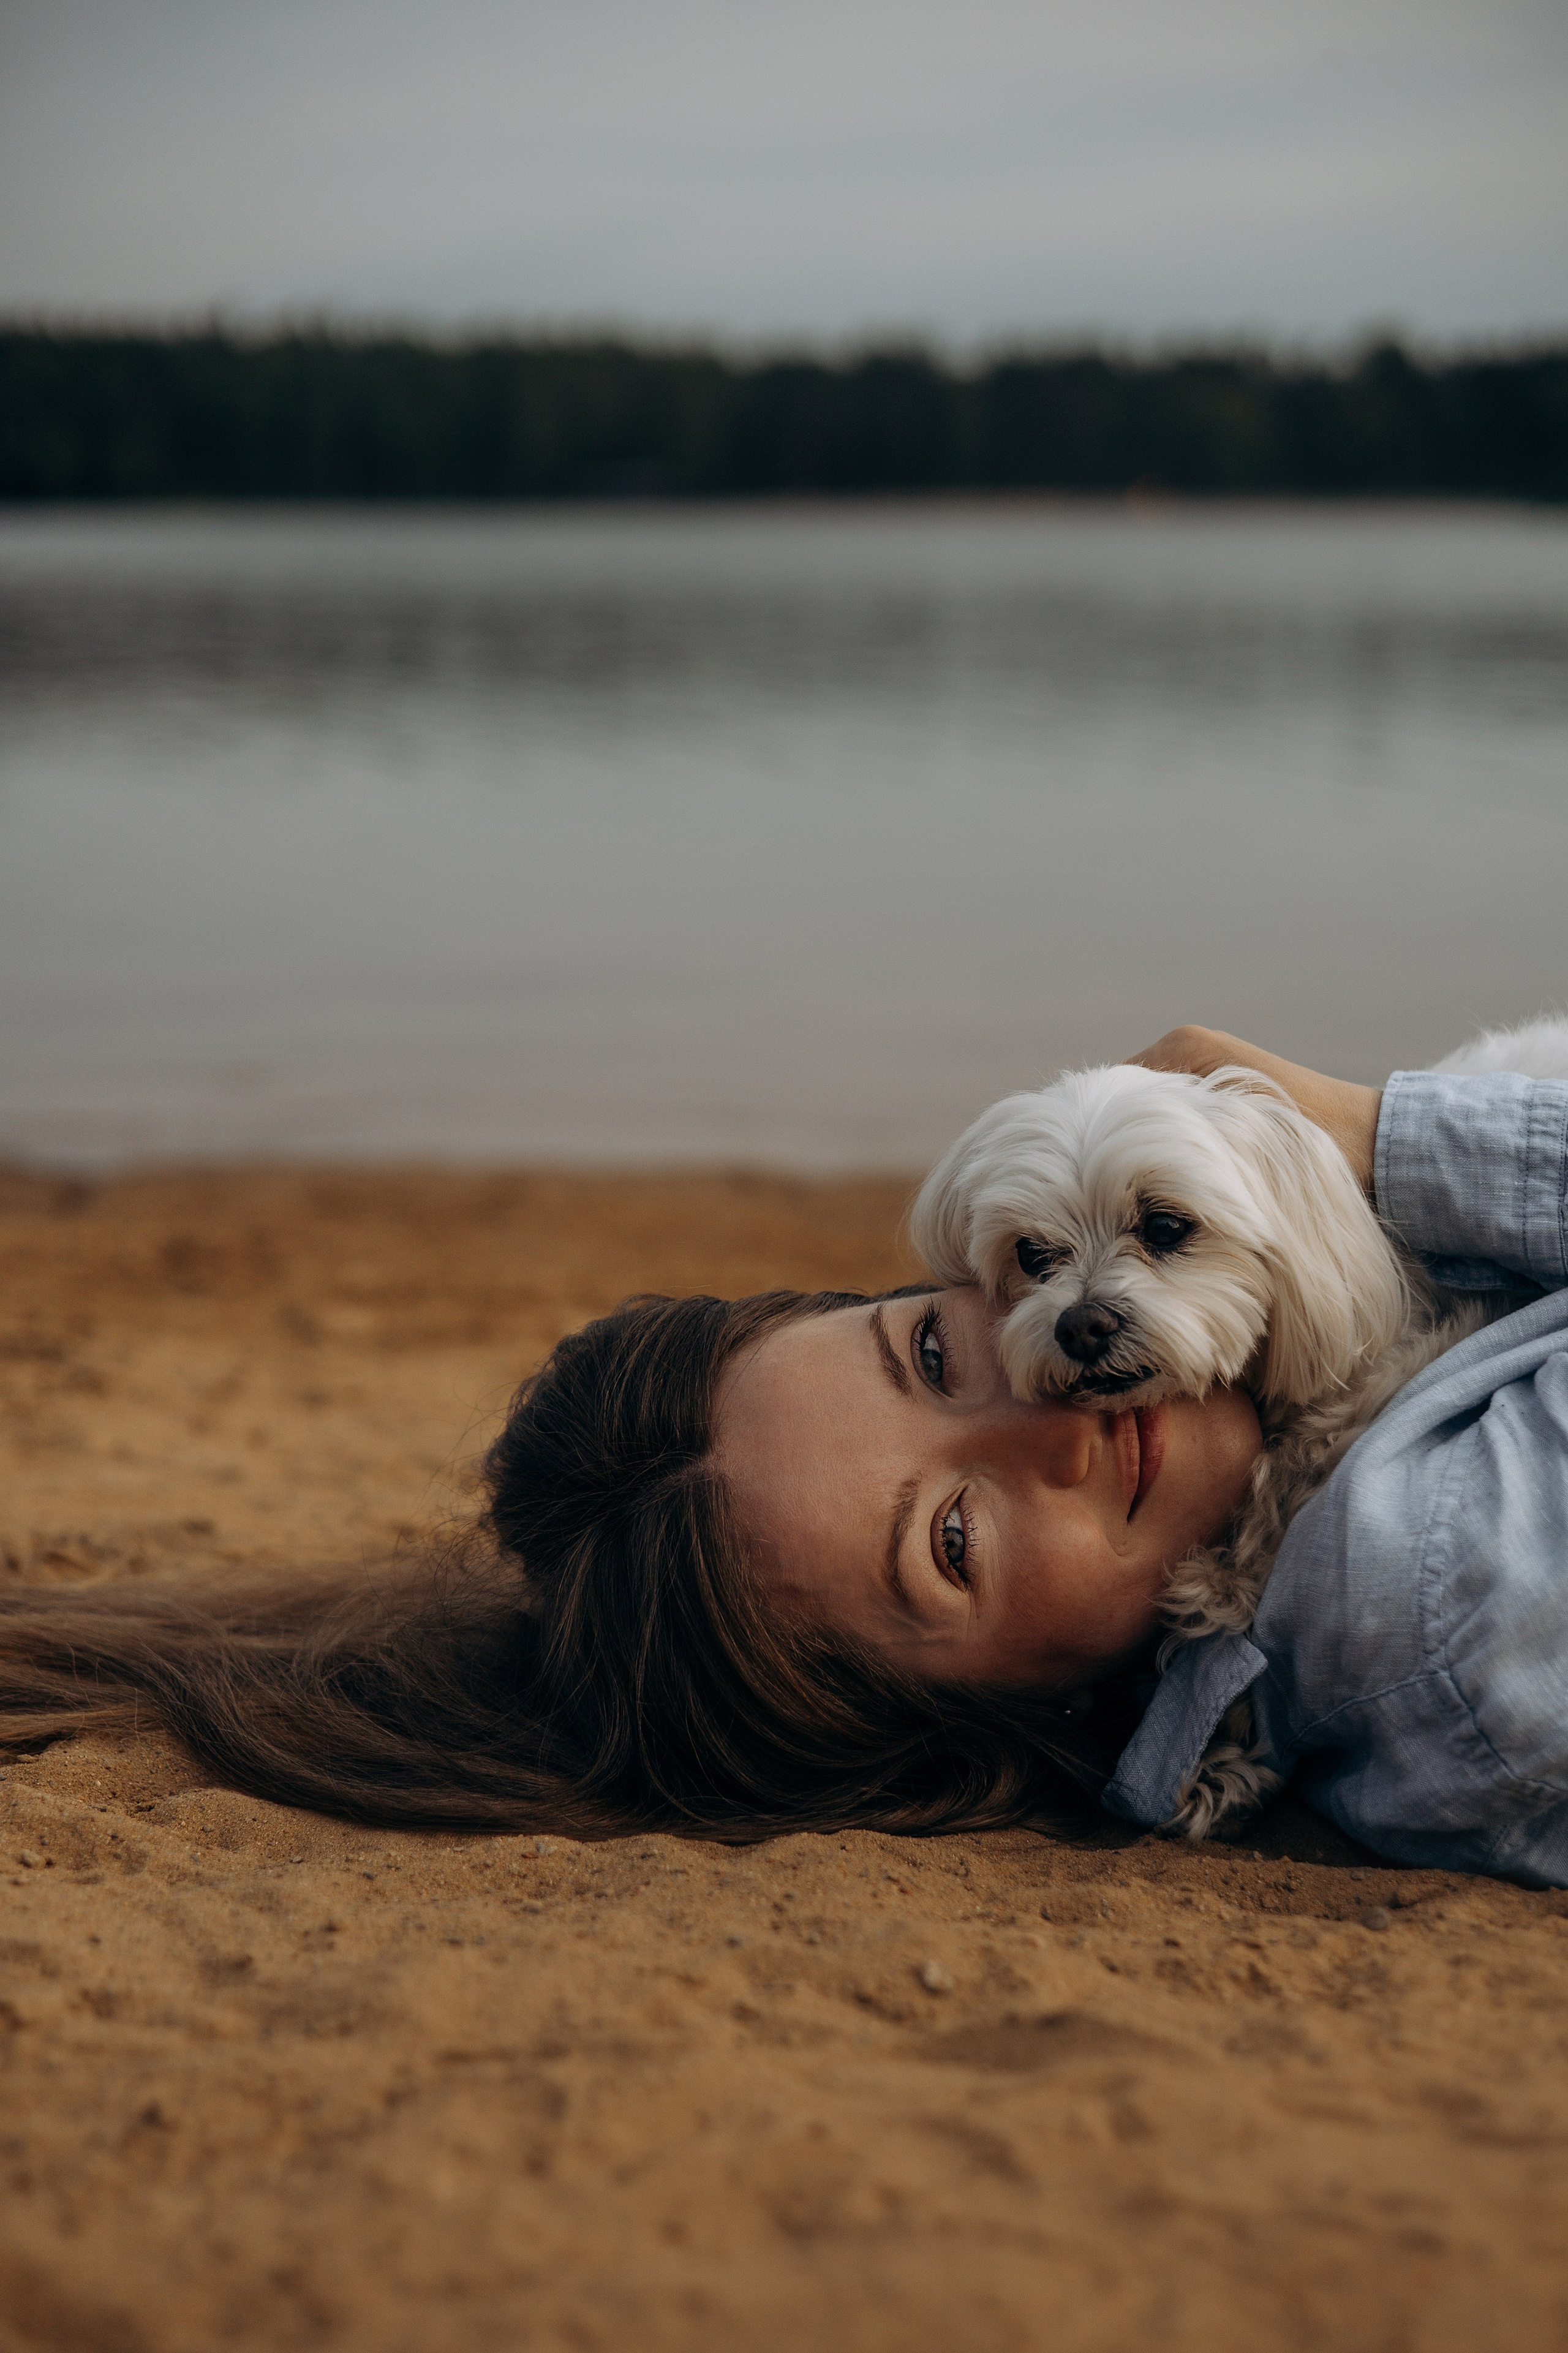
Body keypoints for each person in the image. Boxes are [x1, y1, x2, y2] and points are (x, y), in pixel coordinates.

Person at [2, 1029, 1566, 1885]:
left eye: (936, 1349)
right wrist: (1378, 1133)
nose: (1054, 1406)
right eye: (949, 1540)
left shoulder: (1374, 1458)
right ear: (1002, 1714)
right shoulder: (1445, 1602)